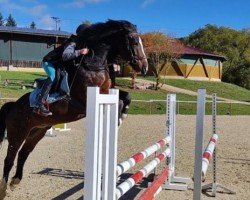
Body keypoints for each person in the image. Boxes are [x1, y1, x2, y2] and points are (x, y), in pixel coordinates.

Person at [33, 24, 90, 117]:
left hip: (58, 64)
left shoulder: (82, 43)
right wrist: (80, 52)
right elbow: (65, 55)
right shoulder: (73, 42)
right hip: (49, 62)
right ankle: (40, 103)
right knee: (53, 76)